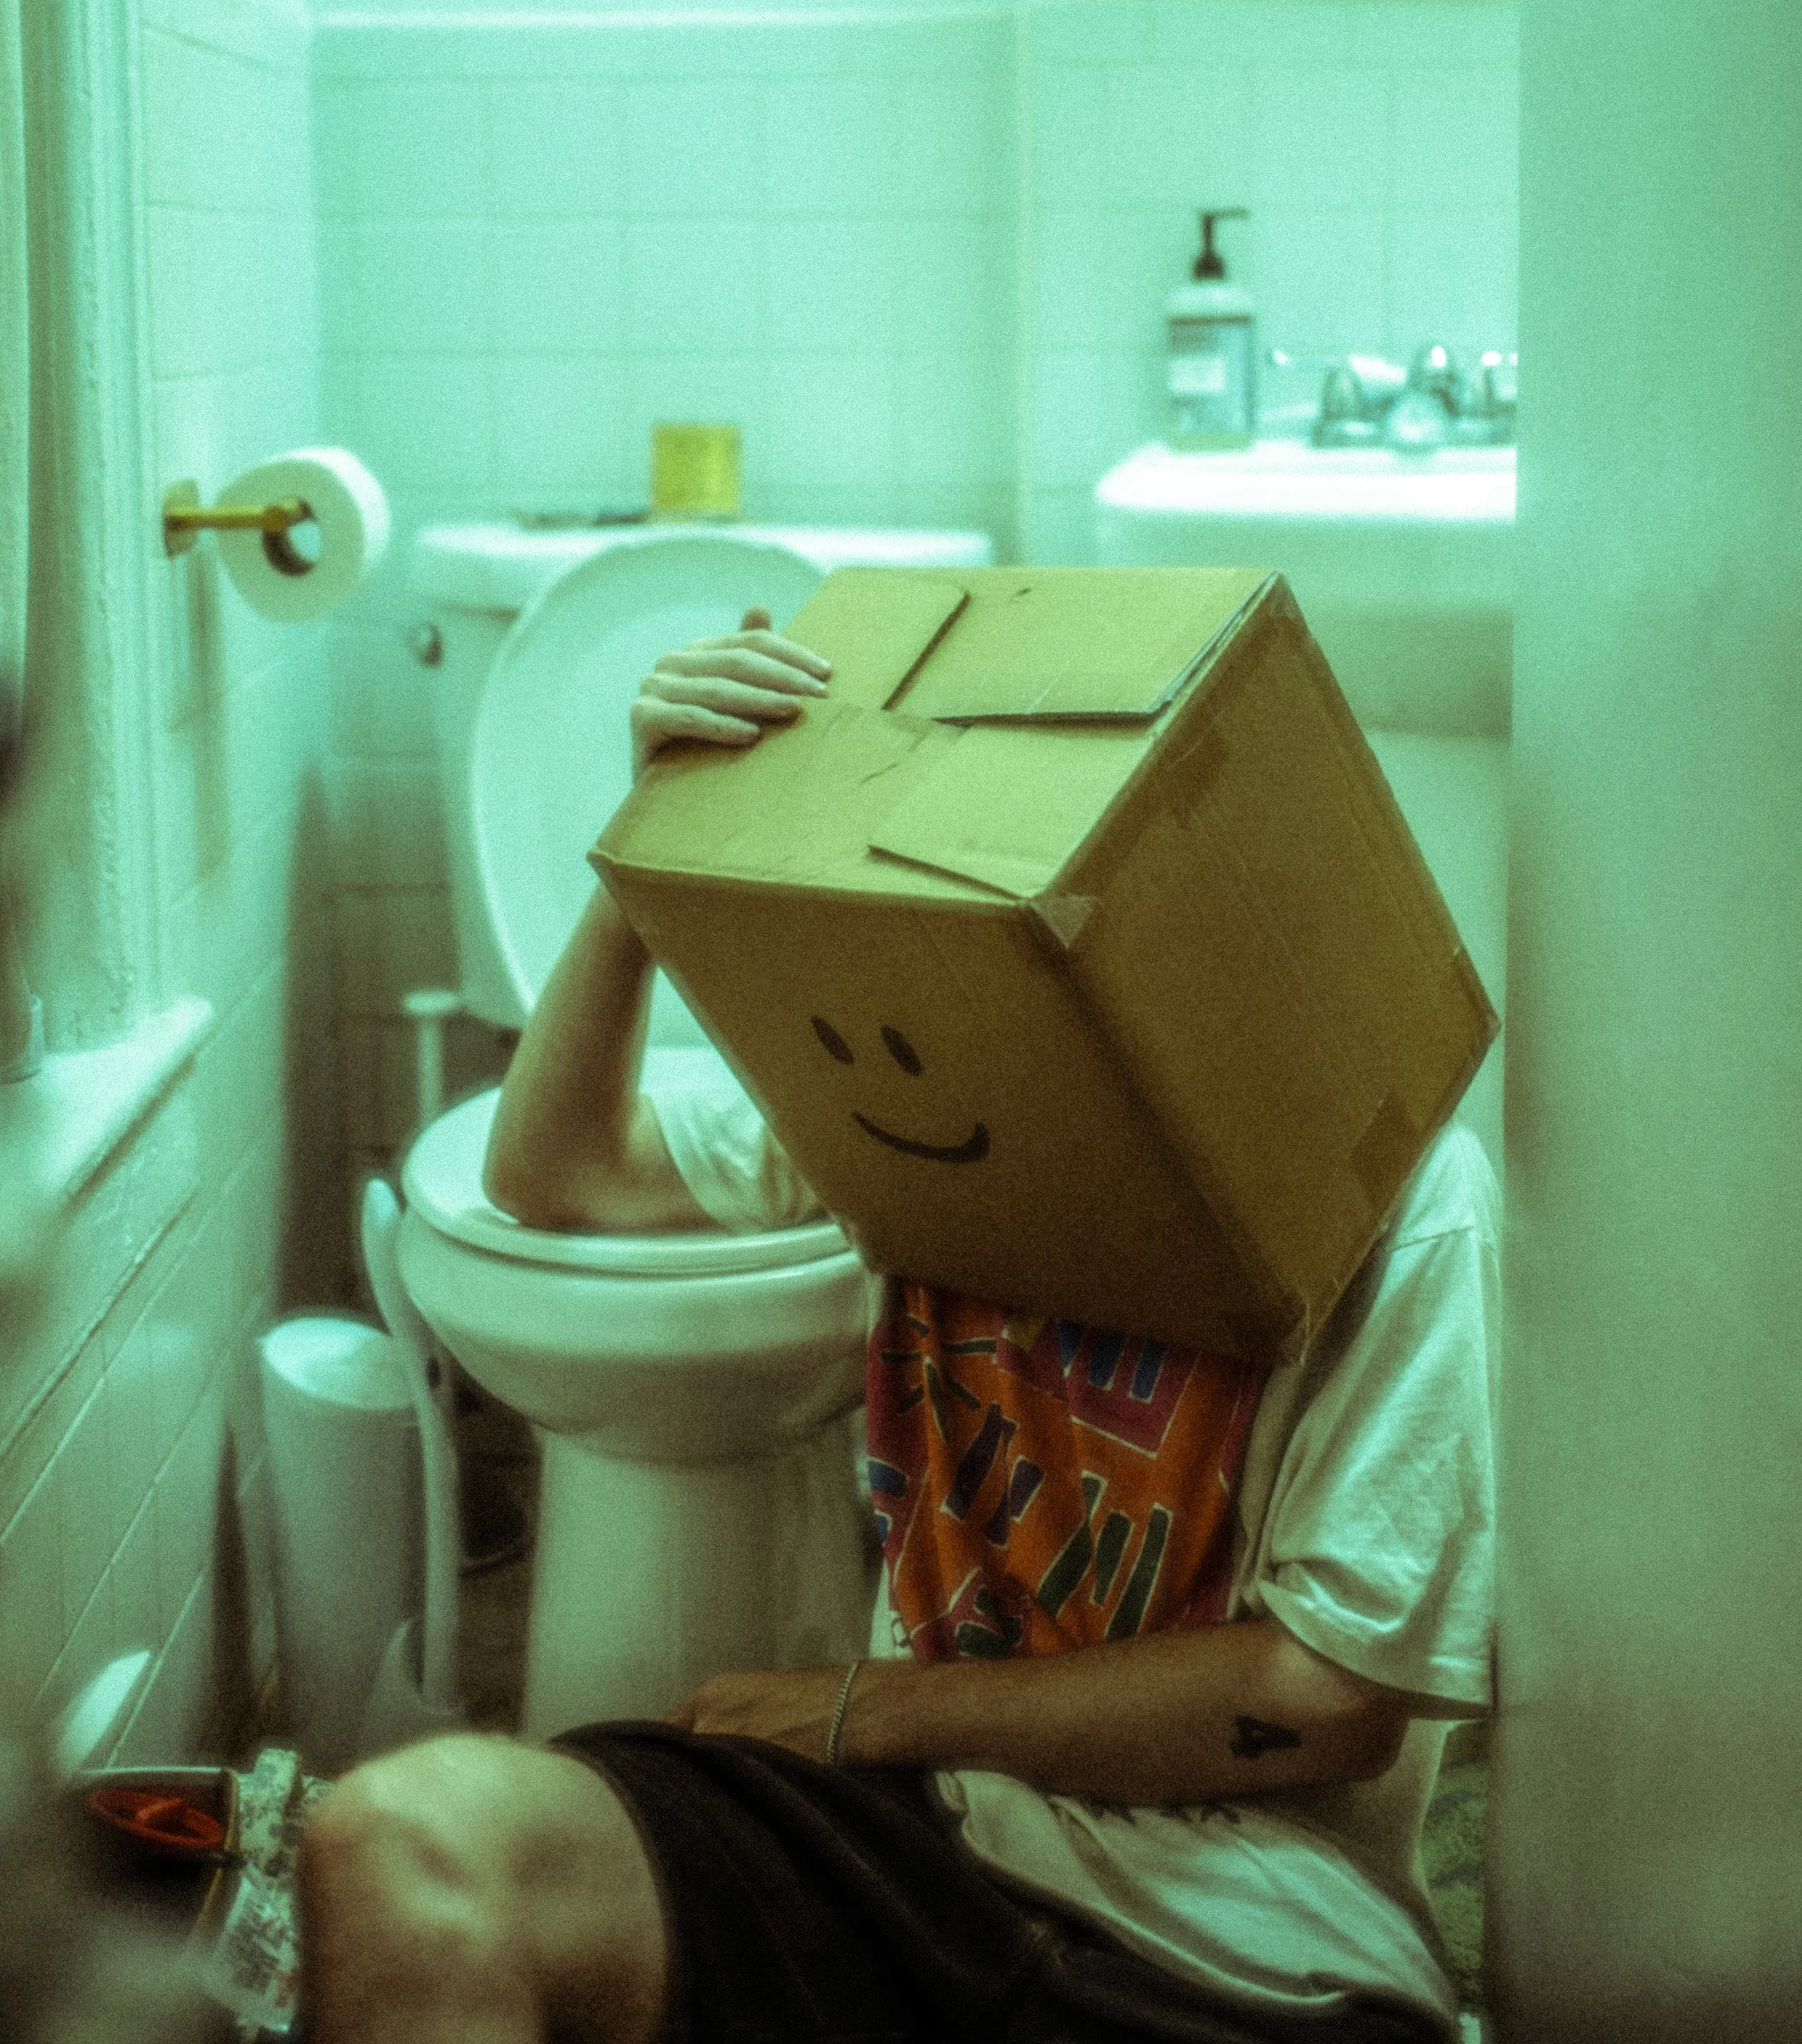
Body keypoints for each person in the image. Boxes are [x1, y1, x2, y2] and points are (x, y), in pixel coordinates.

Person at [297, 606, 1500, 2044]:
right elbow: (553, 1171)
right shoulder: (931, 1082)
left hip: (1249, 1933)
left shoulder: (1395, 1187)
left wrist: (867, 1712)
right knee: (395, 1846)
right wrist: (648, 849)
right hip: (908, 1843)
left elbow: (1328, 1697)